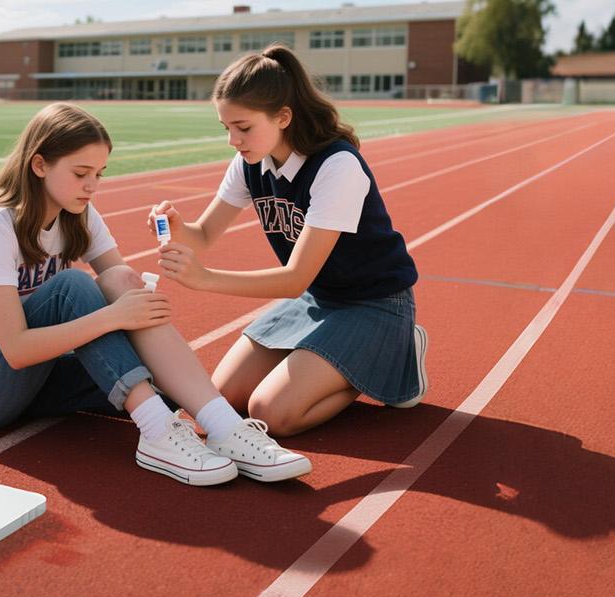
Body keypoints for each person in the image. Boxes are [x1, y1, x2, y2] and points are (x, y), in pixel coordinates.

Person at [0, 103, 311, 486]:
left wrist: (138, 304)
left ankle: (224, 426)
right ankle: (157, 433)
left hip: (37, 375)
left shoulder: (78, 214)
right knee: (73, 287)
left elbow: (121, 284)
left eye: (99, 174)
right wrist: (115, 316)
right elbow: (15, 349)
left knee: (162, 378)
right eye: (81, 173)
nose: (92, 186)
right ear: (40, 165)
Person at [152, 45, 429, 437]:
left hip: (374, 303)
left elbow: (295, 278)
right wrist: (178, 227)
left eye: (243, 127)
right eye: (226, 127)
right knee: (224, 396)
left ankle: (390, 356)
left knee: (272, 412)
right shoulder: (249, 163)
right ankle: (338, 361)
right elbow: (204, 235)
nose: (233, 140)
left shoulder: (337, 165)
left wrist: (205, 278)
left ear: (283, 117)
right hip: (319, 298)